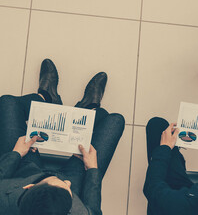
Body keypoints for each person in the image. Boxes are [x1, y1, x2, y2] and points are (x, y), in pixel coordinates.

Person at [0, 59, 125, 215]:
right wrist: (92, 169)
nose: (65, 182)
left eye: (60, 183)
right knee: (115, 121)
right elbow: (93, 209)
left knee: (7, 102)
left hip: (24, 171)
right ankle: (87, 109)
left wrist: (16, 154)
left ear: (29, 187)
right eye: (67, 188)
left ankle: (45, 98)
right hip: (77, 178)